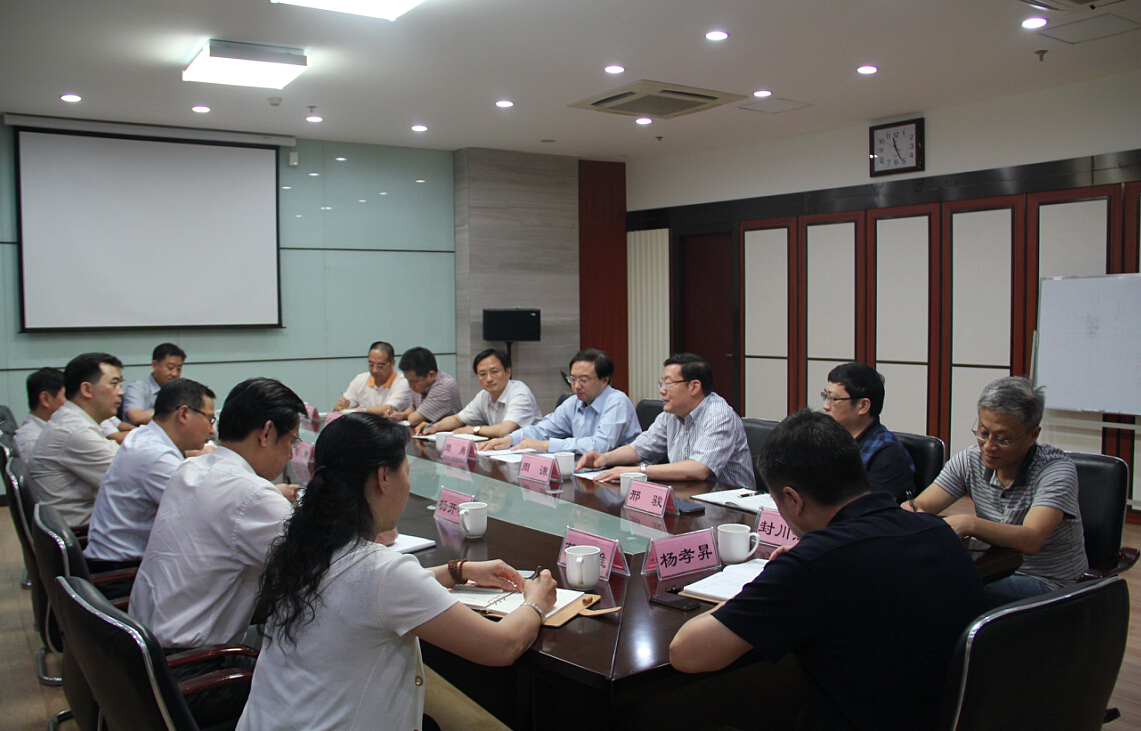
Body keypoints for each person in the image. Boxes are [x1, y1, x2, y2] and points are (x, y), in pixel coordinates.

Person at [236, 413, 557, 731]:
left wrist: (458, 571)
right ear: (383, 478)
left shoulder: (304, 546)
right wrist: (536, 601)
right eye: (405, 471)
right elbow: (501, 646)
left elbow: (369, 590)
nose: (408, 482)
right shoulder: (382, 572)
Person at [670, 410, 987, 731]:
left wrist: (771, 581)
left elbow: (686, 653)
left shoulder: (813, 564)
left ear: (793, 500)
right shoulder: (939, 532)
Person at [129, 377, 306, 728]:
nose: (291, 454)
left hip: (143, 658)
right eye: (292, 441)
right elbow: (321, 571)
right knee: (319, 681)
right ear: (267, 432)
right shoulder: (253, 495)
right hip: (195, 675)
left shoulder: (190, 468)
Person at [907, 376, 1087, 607]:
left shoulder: (1056, 471)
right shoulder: (971, 460)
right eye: (983, 433)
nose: (989, 446)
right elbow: (920, 506)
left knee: (947, 585)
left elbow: (1032, 539)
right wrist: (911, 512)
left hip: (1049, 584)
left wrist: (970, 524)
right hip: (994, 568)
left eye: (1002, 439)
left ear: (1033, 435)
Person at [84, 378, 217, 574]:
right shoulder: (157, 457)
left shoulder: (143, 436)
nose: (212, 430)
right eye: (210, 419)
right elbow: (208, 514)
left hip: (111, 562)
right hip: (121, 574)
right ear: (183, 414)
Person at [578, 353, 755, 489]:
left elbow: (698, 469)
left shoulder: (719, 415)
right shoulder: (671, 414)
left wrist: (638, 471)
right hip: (688, 496)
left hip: (730, 508)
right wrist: (604, 458)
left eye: (668, 384)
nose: (662, 390)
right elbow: (640, 448)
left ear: (694, 387)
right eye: (661, 384)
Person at [479, 348, 641, 454]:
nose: (576, 386)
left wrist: (546, 445)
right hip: (588, 470)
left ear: (604, 380)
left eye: (584, 380)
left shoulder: (617, 402)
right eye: (573, 379)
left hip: (623, 474)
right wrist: (509, 439)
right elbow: (543, 429)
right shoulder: (573, 402)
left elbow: (600, 446)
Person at [29, 353, 124, 527]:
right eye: (114, 384)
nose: (121, 392)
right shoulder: (74, 430)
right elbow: (130, 479)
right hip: (83, 531)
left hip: (87, 522)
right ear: (87, 390)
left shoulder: (73, 420)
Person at [822, 362, 915, 501]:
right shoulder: (829, 439)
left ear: (863, 406)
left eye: (833, 399)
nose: (825, 406)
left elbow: (876, 511)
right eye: (825, 396)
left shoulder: (888, 454)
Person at [421, 349, 541, 438]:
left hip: (532, 453)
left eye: (494, 372)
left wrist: (474, 430)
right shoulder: (484, 395)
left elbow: (505, 430)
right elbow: (457, 419)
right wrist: (434, 427)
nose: (489, 379)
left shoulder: (519, 393)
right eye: (483, 374)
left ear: (508, 372)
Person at [385, 347, 462, 431]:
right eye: (408, 380)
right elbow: (413, 407)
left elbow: (414, 419)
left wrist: (407, 416)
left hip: (447, 435)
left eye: (413, 381)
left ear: (431, 375)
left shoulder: (444, 386)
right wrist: (401, 415)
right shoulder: (419, 384)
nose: (410, 386)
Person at [334, 341, 412, 415]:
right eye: (371, 365)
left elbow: (390, 408)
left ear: (392, 363)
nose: (375, 370)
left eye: (380, 366)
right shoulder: (360, 379)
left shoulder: (403, 381)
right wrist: (340, 406)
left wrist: (362, 410)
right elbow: (341, 409)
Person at [122, 342, 186, 425]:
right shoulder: (138, 387)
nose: (174, 373)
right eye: (170, 367)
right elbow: (136, 416)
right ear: (155, 364)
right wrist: (175, 416)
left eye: (178, 369)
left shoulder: (180, 391)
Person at [13, 367, 66, 459]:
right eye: (66, 396)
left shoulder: (50, 430)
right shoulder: (33, 442)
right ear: (45, 399)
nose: (71, 403)